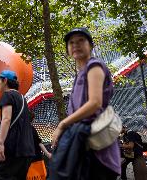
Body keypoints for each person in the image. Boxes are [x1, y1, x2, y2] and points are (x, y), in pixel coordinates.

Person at [50, 27, 121, 180]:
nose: (76, 45)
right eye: (71, 42)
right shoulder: (79, 74)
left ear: (91, 45)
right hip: (84, 142)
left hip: (96, 144)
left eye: (81, 40)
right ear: (68, 50)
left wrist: (62, 124)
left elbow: (95, 103)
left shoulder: (94, 66)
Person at [0, 70, 35, 180]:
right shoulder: (22, 98)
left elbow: (6, 119)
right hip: (27, 149)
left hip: (12, 149)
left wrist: (0, 143)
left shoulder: (7, 95)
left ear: (5, 80)